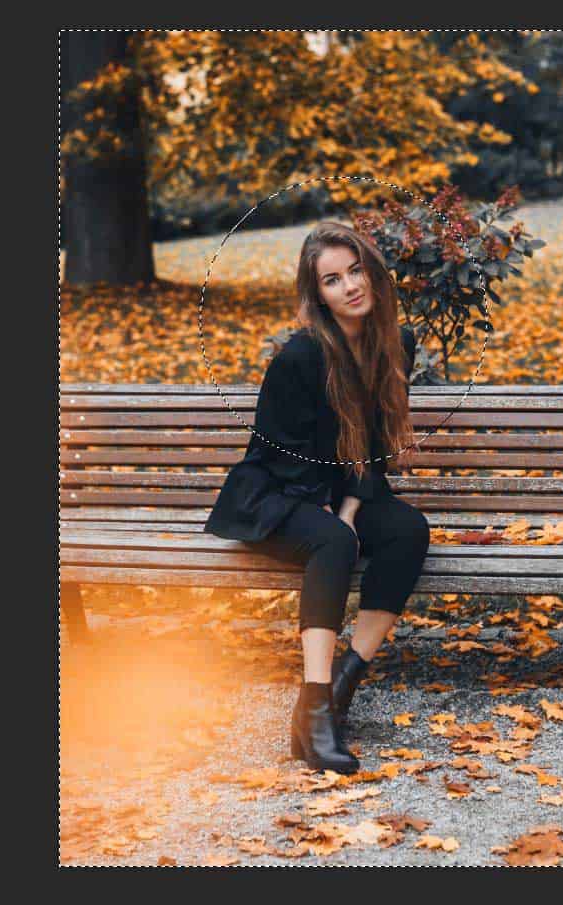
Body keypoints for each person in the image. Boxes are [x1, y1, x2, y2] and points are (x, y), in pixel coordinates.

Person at [203, 221, 431, 774]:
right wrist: (333, 513)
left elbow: (371, 445)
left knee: (408, 529)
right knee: (332, 542)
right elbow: (281, 452)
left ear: (372, 272)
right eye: (333, 280)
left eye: (355, 271)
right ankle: (313, 704)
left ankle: (344, 682)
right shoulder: (300, 358)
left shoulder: (395, 343)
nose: (350, 286)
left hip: (336, 489)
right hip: (277, 492)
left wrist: (352, 507)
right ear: (319, 294)